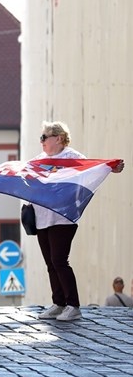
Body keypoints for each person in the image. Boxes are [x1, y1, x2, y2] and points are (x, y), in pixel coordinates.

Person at [34, 122, 125, 321]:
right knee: (50, 263)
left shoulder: (72, 158)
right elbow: (23, 172)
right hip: (42, 218)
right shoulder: (40, 159)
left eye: (44, 137)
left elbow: (93, 169)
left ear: (58, 138)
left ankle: (73, 305)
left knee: (59, 260)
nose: (41, 141)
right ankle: (58, 304)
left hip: (63, 217)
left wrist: (112, 168)